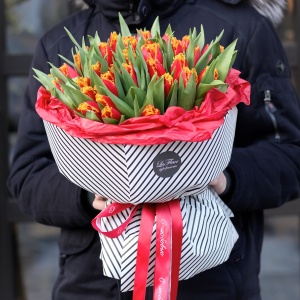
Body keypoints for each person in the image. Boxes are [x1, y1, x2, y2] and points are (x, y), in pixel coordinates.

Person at [7, 0, 300, 299]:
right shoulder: (59, 44)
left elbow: (291, 155)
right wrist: (88, 194)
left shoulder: (242, 29)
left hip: (212, 283)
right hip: (91, 286)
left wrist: (222, 176)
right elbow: (28, 176)